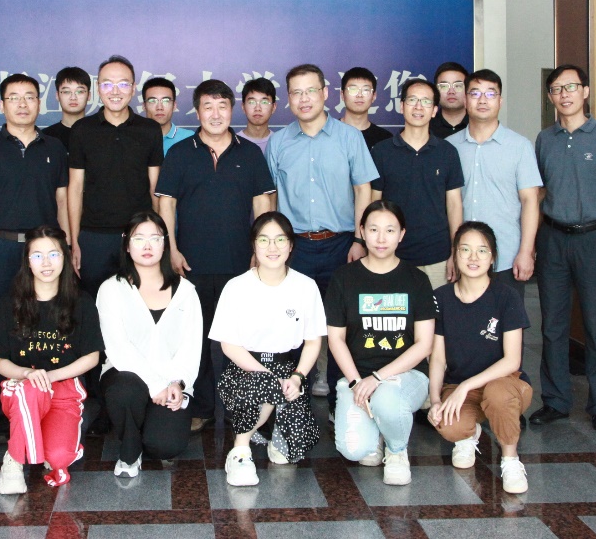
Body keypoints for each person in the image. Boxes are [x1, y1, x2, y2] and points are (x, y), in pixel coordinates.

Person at [156, 79, 276, 432]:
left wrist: (260, 253)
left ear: (232, 110)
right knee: (196, 339)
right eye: (208, 107)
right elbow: (166, 205)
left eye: (222, 106)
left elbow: (263, 206)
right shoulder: (180, 153)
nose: (215, 114)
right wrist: (171, 250)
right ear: (197, 112)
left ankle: (243, 406)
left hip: (241, 265)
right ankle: (203, 406)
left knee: (241, 340)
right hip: (190, 265)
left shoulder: (249, 153)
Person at [530, 64, 596, 434]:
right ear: (550, 97)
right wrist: (529, 243)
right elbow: (538, 193)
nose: (565, 94)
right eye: (557, 89)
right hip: (553, 239)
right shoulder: (544, 140)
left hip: (594, 239)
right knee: (553, 325)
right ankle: (555, 401)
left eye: (571, 87)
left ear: (585, 91)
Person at [0, 73, 70, 443]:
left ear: (40, 103)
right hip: (0, 246)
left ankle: (49, 405)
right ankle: (5, 413)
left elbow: (62, 202)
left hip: (45, 250)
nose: (22, 104)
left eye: (29, 97)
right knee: (4, 330)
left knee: (49, 324)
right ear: (2, 104)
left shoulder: (54, 147)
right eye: (14, 97)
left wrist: (68, 248)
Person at [265, 63, 378, 401]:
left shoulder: (349, 137)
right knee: (291, 321)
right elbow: (270, 198)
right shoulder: (279, 142)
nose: (304, 99)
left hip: (342, 245)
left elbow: (363, 189)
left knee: (341, 321)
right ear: (288, 99)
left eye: (311, 91)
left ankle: (338, 398)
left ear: (325, 93)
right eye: (296, 93)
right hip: (294, 247)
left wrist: (359, 239)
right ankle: (291, 397)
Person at [209, 212, 325, 487]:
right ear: (254, 245)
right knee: (264, 386)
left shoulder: (306, 287)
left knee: (289, 453)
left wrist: (297, 377)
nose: (272, 247)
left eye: (280, 240)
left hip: (289, 370)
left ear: (291, 245)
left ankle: (269, 429)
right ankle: (240, 450)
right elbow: (229, 345)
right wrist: (268, 376)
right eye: (264, 240)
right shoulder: (236, 287)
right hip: (246, 370)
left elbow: (313, 341)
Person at [325, 200, 435, 486]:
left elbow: (424, 344)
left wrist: (377, 378)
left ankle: (397, 450)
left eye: (390, 230)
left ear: (402, 234)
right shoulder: (343, 278)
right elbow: (336, 339)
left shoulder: (417, 280)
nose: (381, 238)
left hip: (406, 375)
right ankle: (376, 432)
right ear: (362, 231)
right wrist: (354, 382)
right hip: (357, 376)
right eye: (374, 229)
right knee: (354, 450)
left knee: (386, 399)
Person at [0, 225, 103, 494]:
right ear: (27, 261)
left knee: (59, 458)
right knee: (30, 390)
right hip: (21, 389)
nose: (46, 263)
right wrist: (28, 374)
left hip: (63, 389)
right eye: (37, 256)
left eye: (53, 254)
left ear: (65, 258)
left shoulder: (81, 302)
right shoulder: (10, 303)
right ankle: (14, 461)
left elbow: (92, 356)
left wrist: (51, 376)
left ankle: (34, 438)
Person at [428, 222, 532, 495]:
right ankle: (468, 433)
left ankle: (510, 459)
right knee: (447, 424)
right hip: (459, 386)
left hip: (506, 383)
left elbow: (512, 361)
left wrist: (466, 386)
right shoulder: (441, 297)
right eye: (465, 250)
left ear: (493, 257)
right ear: (455, 254)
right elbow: (437, 358)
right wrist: (436, 399)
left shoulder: (506, 296)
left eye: (482, 251)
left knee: (497, 394)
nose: (473, 257)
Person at [97, 212, 202, 477]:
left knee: (166, 445)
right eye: (138, 238)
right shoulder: (111, 289)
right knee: (126, 390)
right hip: (125, 377)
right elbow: (117, 347)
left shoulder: (185, 291)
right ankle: (130, 451)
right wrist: (154, 385)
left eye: (155, 238)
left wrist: (178, 383)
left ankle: (144, 426)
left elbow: (191, 347)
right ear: (126, 244)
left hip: (170, 381)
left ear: (165, 244)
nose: (147, 246)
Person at [68, 55, 164, 295]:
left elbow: (155, 188)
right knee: (94, 301)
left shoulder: (150, 130)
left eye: (123, 84)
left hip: (139, 234)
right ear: (97, 88)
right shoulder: (82, 130)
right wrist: (74, 241)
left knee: (139, 300)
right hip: (94, 236)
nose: (115, 91)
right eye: (107, 84)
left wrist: (160, 236)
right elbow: (75, 188)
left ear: (133, 88)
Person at [447, 69, 542, 302]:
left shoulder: (519, 146)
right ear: (465, 100)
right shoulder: (449, 147)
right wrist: (453, 252)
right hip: (462, 257)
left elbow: (530, 201)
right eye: (475, 93)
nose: (482, 100)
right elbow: (449, 204)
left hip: (506, 256)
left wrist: (526, 251)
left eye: (490, 94)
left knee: (507, 322)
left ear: (500, 101)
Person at [371, 77, 464, 291]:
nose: (418, 107)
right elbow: (374, 203)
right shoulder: (382, 151)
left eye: (426, 101)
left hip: (437, 256)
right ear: (402, 106)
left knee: (436, 311)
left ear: (434, 110)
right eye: (412, 100)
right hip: (391, 255)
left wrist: (455, 251)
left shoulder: (447, 153)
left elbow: (454, 205)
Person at [339, 67, 393, 150]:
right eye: (353, 89)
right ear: (342, 95)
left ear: (374, 96)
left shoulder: (385, 139)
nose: (359, 95)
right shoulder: (329, 133)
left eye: (366, 90)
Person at [142, 76, 195, 153]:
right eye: (152, 101)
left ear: (174, 105)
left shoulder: (190, 138)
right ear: (144, 106)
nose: (159, 107)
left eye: (166, 101)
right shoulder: (133, 138)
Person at [43, 66, 91, 148]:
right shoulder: (45, 137)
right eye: (66, 92)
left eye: (79, 91)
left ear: (89, 95)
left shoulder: (101, 134)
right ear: (57, 95)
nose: (73, 97)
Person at [430, 62, 470, 140]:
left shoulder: (478, 124)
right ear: (435, 91)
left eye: (458, 86)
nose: (451, 91)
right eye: (444, 86)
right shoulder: (426, 127)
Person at [239, 76, 279, 154]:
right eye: (252, 102)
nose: (257, 108)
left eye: (264, 102)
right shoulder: (233, 143)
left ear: (273, 107)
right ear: (243, 107)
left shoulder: (280, 143)